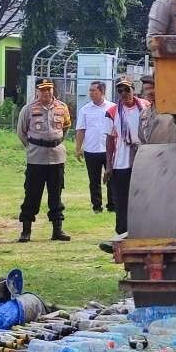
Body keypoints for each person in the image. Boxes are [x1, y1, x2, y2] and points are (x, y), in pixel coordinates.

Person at [16, 78, 72, 243]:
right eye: (43, 89)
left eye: (49, 89)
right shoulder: (28, 109)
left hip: (57, 157)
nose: (46, 92)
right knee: (32, 195)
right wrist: (34, 146)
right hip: (36, 158)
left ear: (53, 90)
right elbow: (21, 132)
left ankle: (57, 230)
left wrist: (56, 141)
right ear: (37, 91)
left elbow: (66, 127)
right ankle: (26, 231)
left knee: (56, 195)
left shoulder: (62, 107)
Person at [99, 76, 149, 253]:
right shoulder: (112, 112)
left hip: (144, 158)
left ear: (133, 90)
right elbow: (110, 139)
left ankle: (144, 234)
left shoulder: (145, 106)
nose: (124, 94)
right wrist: (109, 165)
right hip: (122, 161)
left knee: (143, 198)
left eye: (127, 89)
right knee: (121, 201)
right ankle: (121, 236)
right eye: (120, 91)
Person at [75, 81, 115, 214]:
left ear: (102, 92)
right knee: (94, 180)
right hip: (91, 150)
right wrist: (78, 149)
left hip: (108, 150)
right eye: (90, 90)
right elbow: (81, 130)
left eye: (94, 91)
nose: (91, 93)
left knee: (111, 178)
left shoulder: (112, 108)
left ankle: (112, 205)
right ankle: (97, 206)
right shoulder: (85, 109)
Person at [138, 74, 176, 144]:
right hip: (151, 151)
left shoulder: (172, 111)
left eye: (152, 88)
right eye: (146, 89)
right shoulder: (143, 114)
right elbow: (141, 138)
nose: (149, 92)